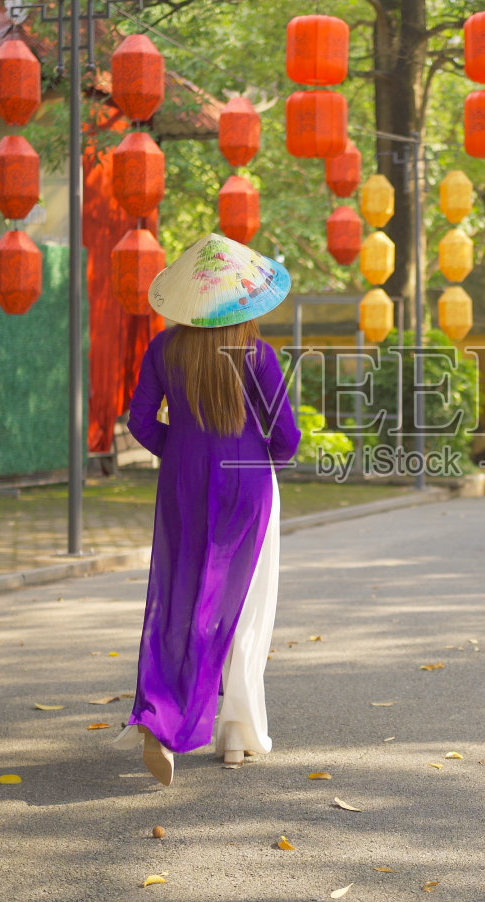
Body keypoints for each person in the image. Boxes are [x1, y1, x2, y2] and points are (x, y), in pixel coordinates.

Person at [113, 233, 300, 786]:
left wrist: (182, 450)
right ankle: (237, 736)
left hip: (182, 480)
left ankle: (159, 721)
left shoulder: (164, 351)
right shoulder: (257, 356)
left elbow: (141, 421)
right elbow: (284, 437)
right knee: (242, 605)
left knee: (178, 596)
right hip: (247, 485)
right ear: (245, 300)